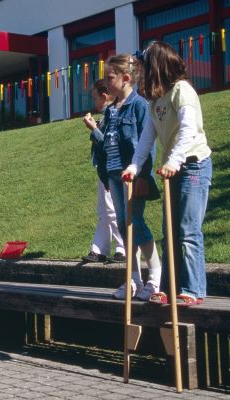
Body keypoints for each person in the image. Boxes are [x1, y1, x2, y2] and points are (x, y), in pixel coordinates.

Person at [122, 41, 212, 307]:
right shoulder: (155, 100)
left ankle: (192, 289)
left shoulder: (182, 91)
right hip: (172, 169)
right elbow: (146, 139)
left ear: (156, 66)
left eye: (145, 66)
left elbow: (188, 130)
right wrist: (135, 166)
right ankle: (170, 288)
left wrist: (174, 160)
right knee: (169, 231)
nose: (142, 72)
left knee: (186, 229)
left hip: (193, 164)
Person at [89, 54, 162, 301]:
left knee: (135, 223)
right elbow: (106, 142)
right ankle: (133, 279)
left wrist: (143, 175)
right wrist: (95, 133)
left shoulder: (140, 106)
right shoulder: (111, 110)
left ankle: (155, 278)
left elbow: (147, 144)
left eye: (110, 77)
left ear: (126, 78)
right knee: (122, 226)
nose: (106, 83)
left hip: (133, 176)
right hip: (113, 175)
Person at [82, 80, 126, 264]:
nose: (94, 102)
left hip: (112, 168)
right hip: (105, 169)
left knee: (111, 209)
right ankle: (99, 248)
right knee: (104, 210)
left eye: (95, 97)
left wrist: (94, 129)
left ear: (104, 96)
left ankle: (122, 247)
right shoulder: (107, 115)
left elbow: (108, 144)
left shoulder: (112, 114)